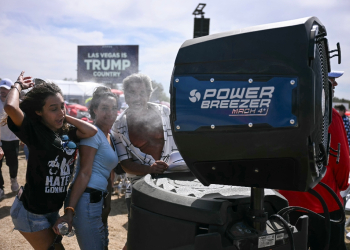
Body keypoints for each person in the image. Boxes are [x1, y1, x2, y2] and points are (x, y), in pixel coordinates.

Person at [6, 71, 97, 250]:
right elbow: (10, 107)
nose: (60, 112)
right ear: (39, 112)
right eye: (53, 108)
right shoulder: (33, 130)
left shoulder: (67, 131)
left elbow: (91, 131)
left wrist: (63, 115)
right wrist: (18, 84)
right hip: (31, 211)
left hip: (52, 211)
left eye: (62, 106)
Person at [279, 70, 349, 250]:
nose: (335, 85)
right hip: (325, 202)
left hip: (286, 201)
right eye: (331, 80)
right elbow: (343, 161)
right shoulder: (331, 115)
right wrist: (340, 187)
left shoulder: (282, 110)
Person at [111, 73, 180, 250]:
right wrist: (150, 169)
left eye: (142, 92)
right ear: (125, 95)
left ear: (149, 94)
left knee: (172, 231)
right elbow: (125, 163)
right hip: (138, 185)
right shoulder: (119, 125)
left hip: (174, 181)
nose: (137, 97)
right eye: (132, 92)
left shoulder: (165, 112)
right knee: (137, 235)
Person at [53, 87, 119, 250]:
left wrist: (107, 204)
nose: (110, 112)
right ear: (94, 110)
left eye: (114, 108)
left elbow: (107, 175)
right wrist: (69, 211)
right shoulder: (92, 134)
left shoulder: (108, 135)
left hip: (97, 201)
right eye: (105, 108)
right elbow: (83, 173)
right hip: (87, 201)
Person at [0, 78, 21, 199]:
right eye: (1, 88)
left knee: (13, 164)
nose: (2, 91)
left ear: (11, 90)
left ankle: (13, 179)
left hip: (12, 139)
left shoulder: (17, 103)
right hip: (0, 139)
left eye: (5, 89)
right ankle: (0, 188)